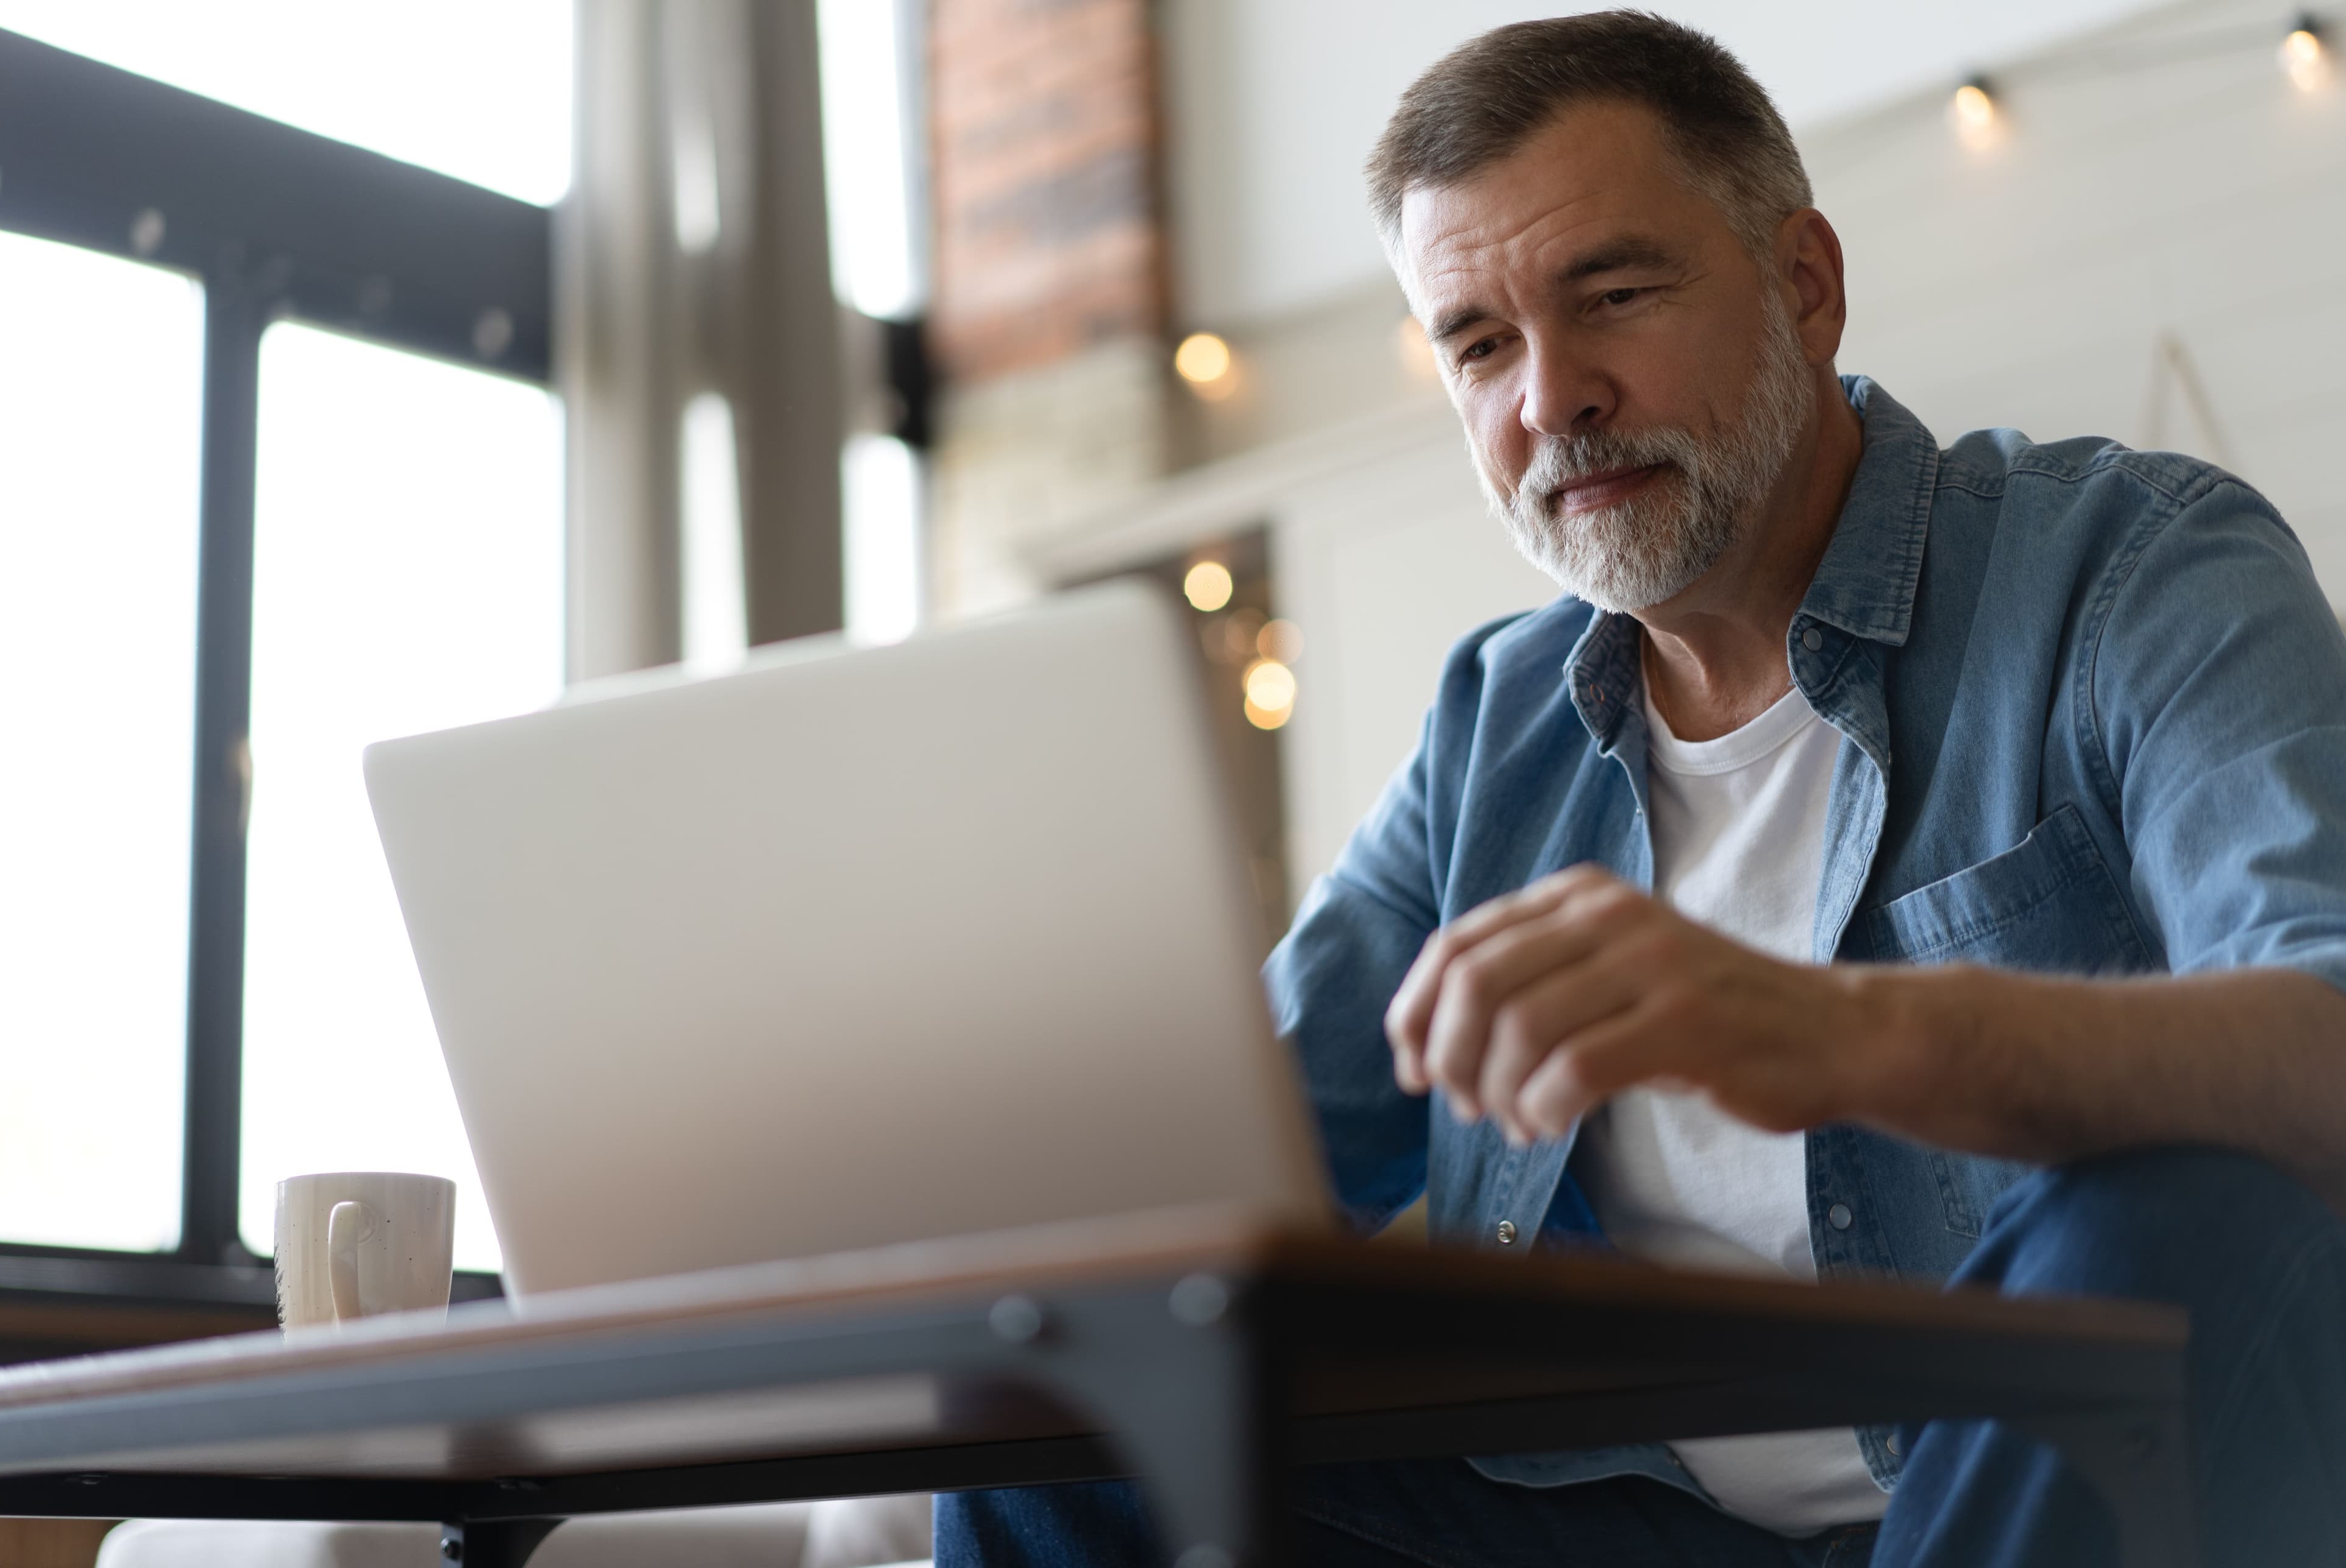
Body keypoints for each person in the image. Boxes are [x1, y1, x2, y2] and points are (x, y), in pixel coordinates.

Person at [938, 13, 2346, 1566]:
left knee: (2170, 1219)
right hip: (1629, 1525)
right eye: (1478, 342)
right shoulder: (1497, 719)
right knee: (1063, 1393)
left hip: (2021, 1491)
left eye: (1611, 294)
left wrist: (1839, 1031)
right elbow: (1242, 1161)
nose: (1552, 397)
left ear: (1804, 286)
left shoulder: (2133, 567)